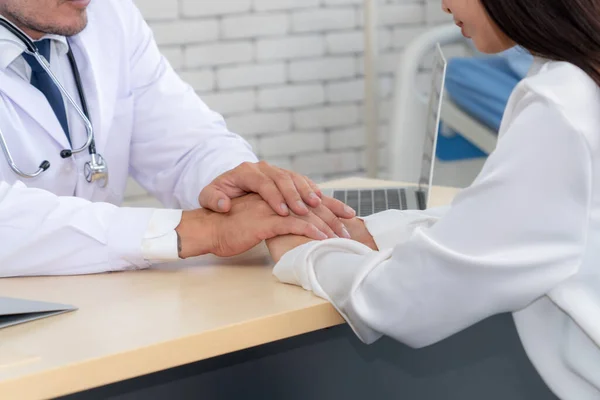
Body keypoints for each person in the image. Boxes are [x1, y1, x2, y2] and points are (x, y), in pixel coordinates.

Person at [268, 0, 600, 398]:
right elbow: (500, 222)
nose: (443, 4)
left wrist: (302, 252)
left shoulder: (559, 111)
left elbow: (405, 300)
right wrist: (369, 232)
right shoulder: (576, 81)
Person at [0, 0, 356, 278]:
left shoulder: (108, 16)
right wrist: (197, 229)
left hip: (97, 303)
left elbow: (186, 143)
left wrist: (249, 195)